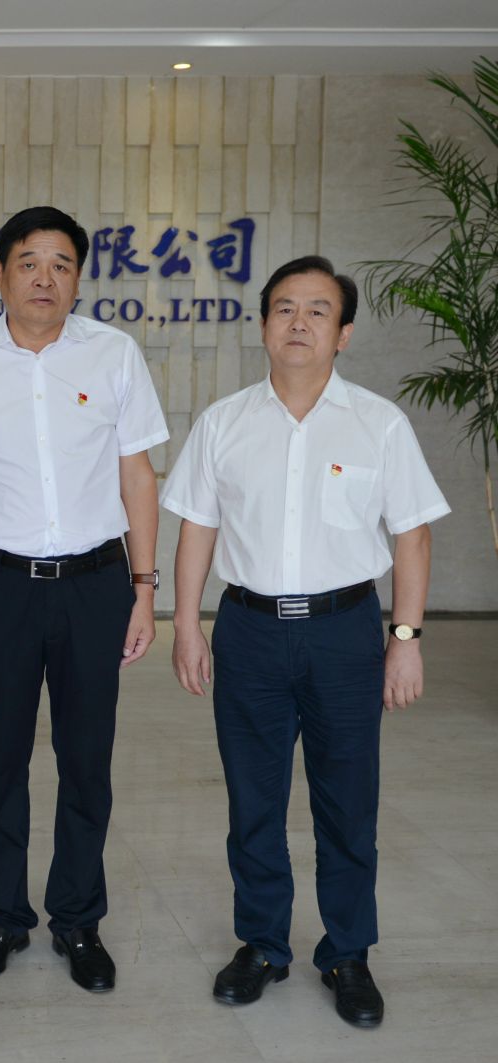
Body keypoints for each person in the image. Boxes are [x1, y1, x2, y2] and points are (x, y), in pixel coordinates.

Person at [163, 256, 449, 1029]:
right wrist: (187, 624)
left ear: (343, 333)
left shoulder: (379, 424)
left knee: (347, 803)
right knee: (253, 800)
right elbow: (197, 528)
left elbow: (412, 535)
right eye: (284, 307)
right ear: (263, 325)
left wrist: (405, 638)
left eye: (318, 310)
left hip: (345, 632)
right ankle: (262, 943)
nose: (299, 322)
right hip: (250, 629)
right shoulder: (224, 422)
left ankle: (348, 952)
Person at [0, 206, 167, 993]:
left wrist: (145, 588)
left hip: (95, 584)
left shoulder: (114, 355)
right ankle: (2, 915)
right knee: (0, 757)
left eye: (61, 264)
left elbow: (137, 476)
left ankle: (78, 917)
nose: (44, 278)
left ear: (79, 277)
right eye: (29, 262)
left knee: (87, 758)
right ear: (0, 274)